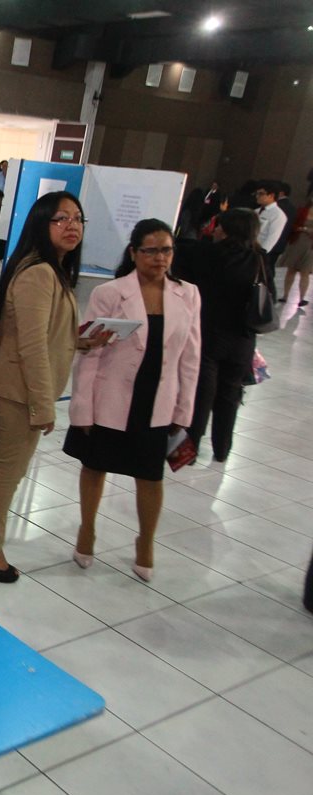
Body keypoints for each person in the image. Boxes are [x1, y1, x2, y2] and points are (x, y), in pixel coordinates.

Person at [0, 192, 104, 584]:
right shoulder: (39, 273)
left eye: (78, 219)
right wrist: (43, 405)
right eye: (61, 219)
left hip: (12, 382)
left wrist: (82, 341)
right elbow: (32, 346)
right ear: (41, 224)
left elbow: (38, 333)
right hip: (19, 389)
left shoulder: (50, 270)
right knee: (8, 470)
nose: (72, 226)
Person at [65, 220, 201, 582]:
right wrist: (82, 406)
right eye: (151, 251)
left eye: (167, 250)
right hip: (111, 395)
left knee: (150, 475)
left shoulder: (187, 294)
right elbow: (89, 352)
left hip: (157, 397)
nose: (160, 258)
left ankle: (146, 541)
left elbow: (191, 357)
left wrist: (184, 409)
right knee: (95, 466)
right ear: (133, 253)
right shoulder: (110, 293)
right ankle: (87, 529)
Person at [174, 209, 264, 462]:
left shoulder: (205, 253)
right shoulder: (258, 259)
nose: (213, 230)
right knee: (230, 395)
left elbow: (181, 262)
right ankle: (222, 450)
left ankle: (187, 453)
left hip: (208, 334)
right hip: (243, 339)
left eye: (218, 226)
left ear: (227, 230)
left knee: (200, 394)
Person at [278, 193, 313, 306]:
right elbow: (293, 224)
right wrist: (300, 228)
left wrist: (306, 229)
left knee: (305, 272)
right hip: (296, 242)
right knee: (291, 270)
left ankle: (301, 298)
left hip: (310, 246)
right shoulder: (302, 210)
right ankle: (285, 295)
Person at [255, 181, 288, 295]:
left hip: (259, 254)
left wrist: (260, 254)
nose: (258, 196)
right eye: (257, 193)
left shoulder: (278, 215)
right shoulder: (256, 211)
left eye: (261, 193)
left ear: (271, 195)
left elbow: (271, 238)